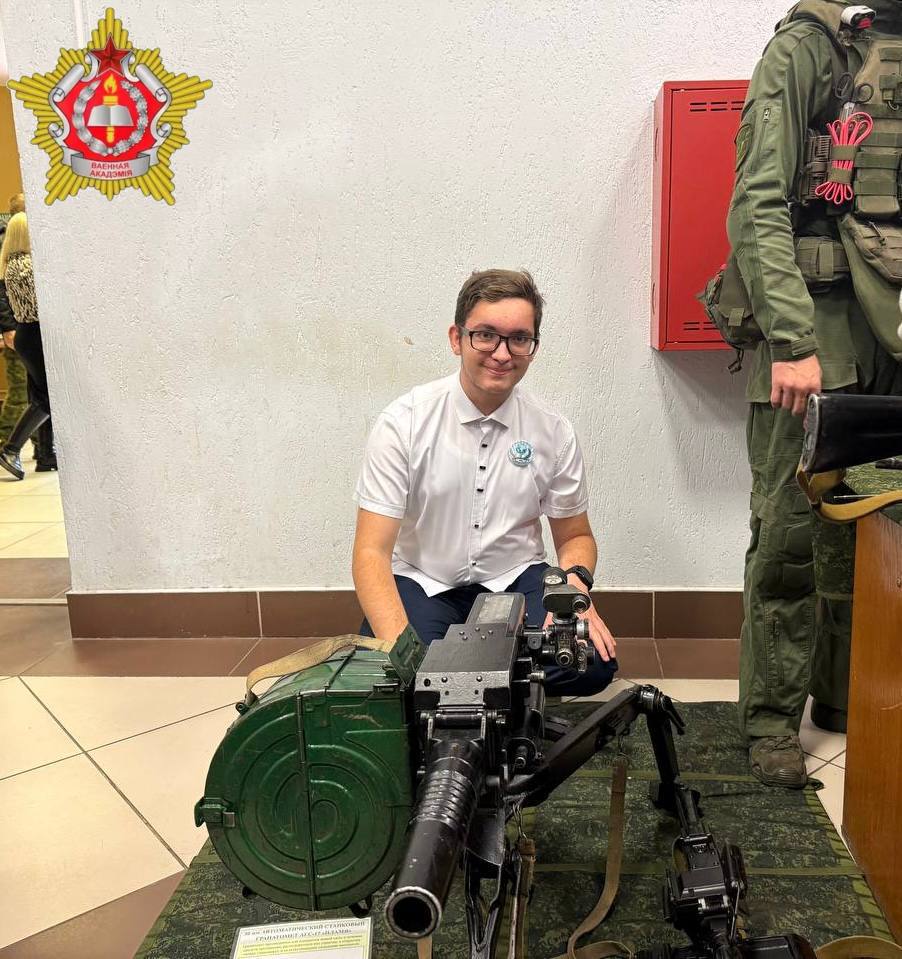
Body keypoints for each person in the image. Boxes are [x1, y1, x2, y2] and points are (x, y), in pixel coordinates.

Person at [727, 1, 902, 788]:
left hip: (892, 327)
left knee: (879, 528)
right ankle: (771, 721)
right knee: (791, 532)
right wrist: (792, 338)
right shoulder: (809, 48)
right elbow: (756, 201)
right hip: (817, 326)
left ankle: (844, 695)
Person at [352, 269, 617, 697]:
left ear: (532, 348)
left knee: (591, 666)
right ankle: (487, 682)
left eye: (519, 338)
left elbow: (575, 536)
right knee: (407, 672)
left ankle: (468, 682)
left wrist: (573, 590)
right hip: (424, 579)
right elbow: (370, 552)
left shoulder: (553, 431)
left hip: (516, 579)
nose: (502, 353)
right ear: (457, 339)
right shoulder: (404, 423)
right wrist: (408, 658)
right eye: (486, 335)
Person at [0, 212, 55, 480]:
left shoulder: (10, 264)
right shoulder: (28, 266)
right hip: (36, 333)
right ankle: (11, 449)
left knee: (39, 396)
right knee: (47, 399)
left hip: (26, 334)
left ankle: (45, 454)